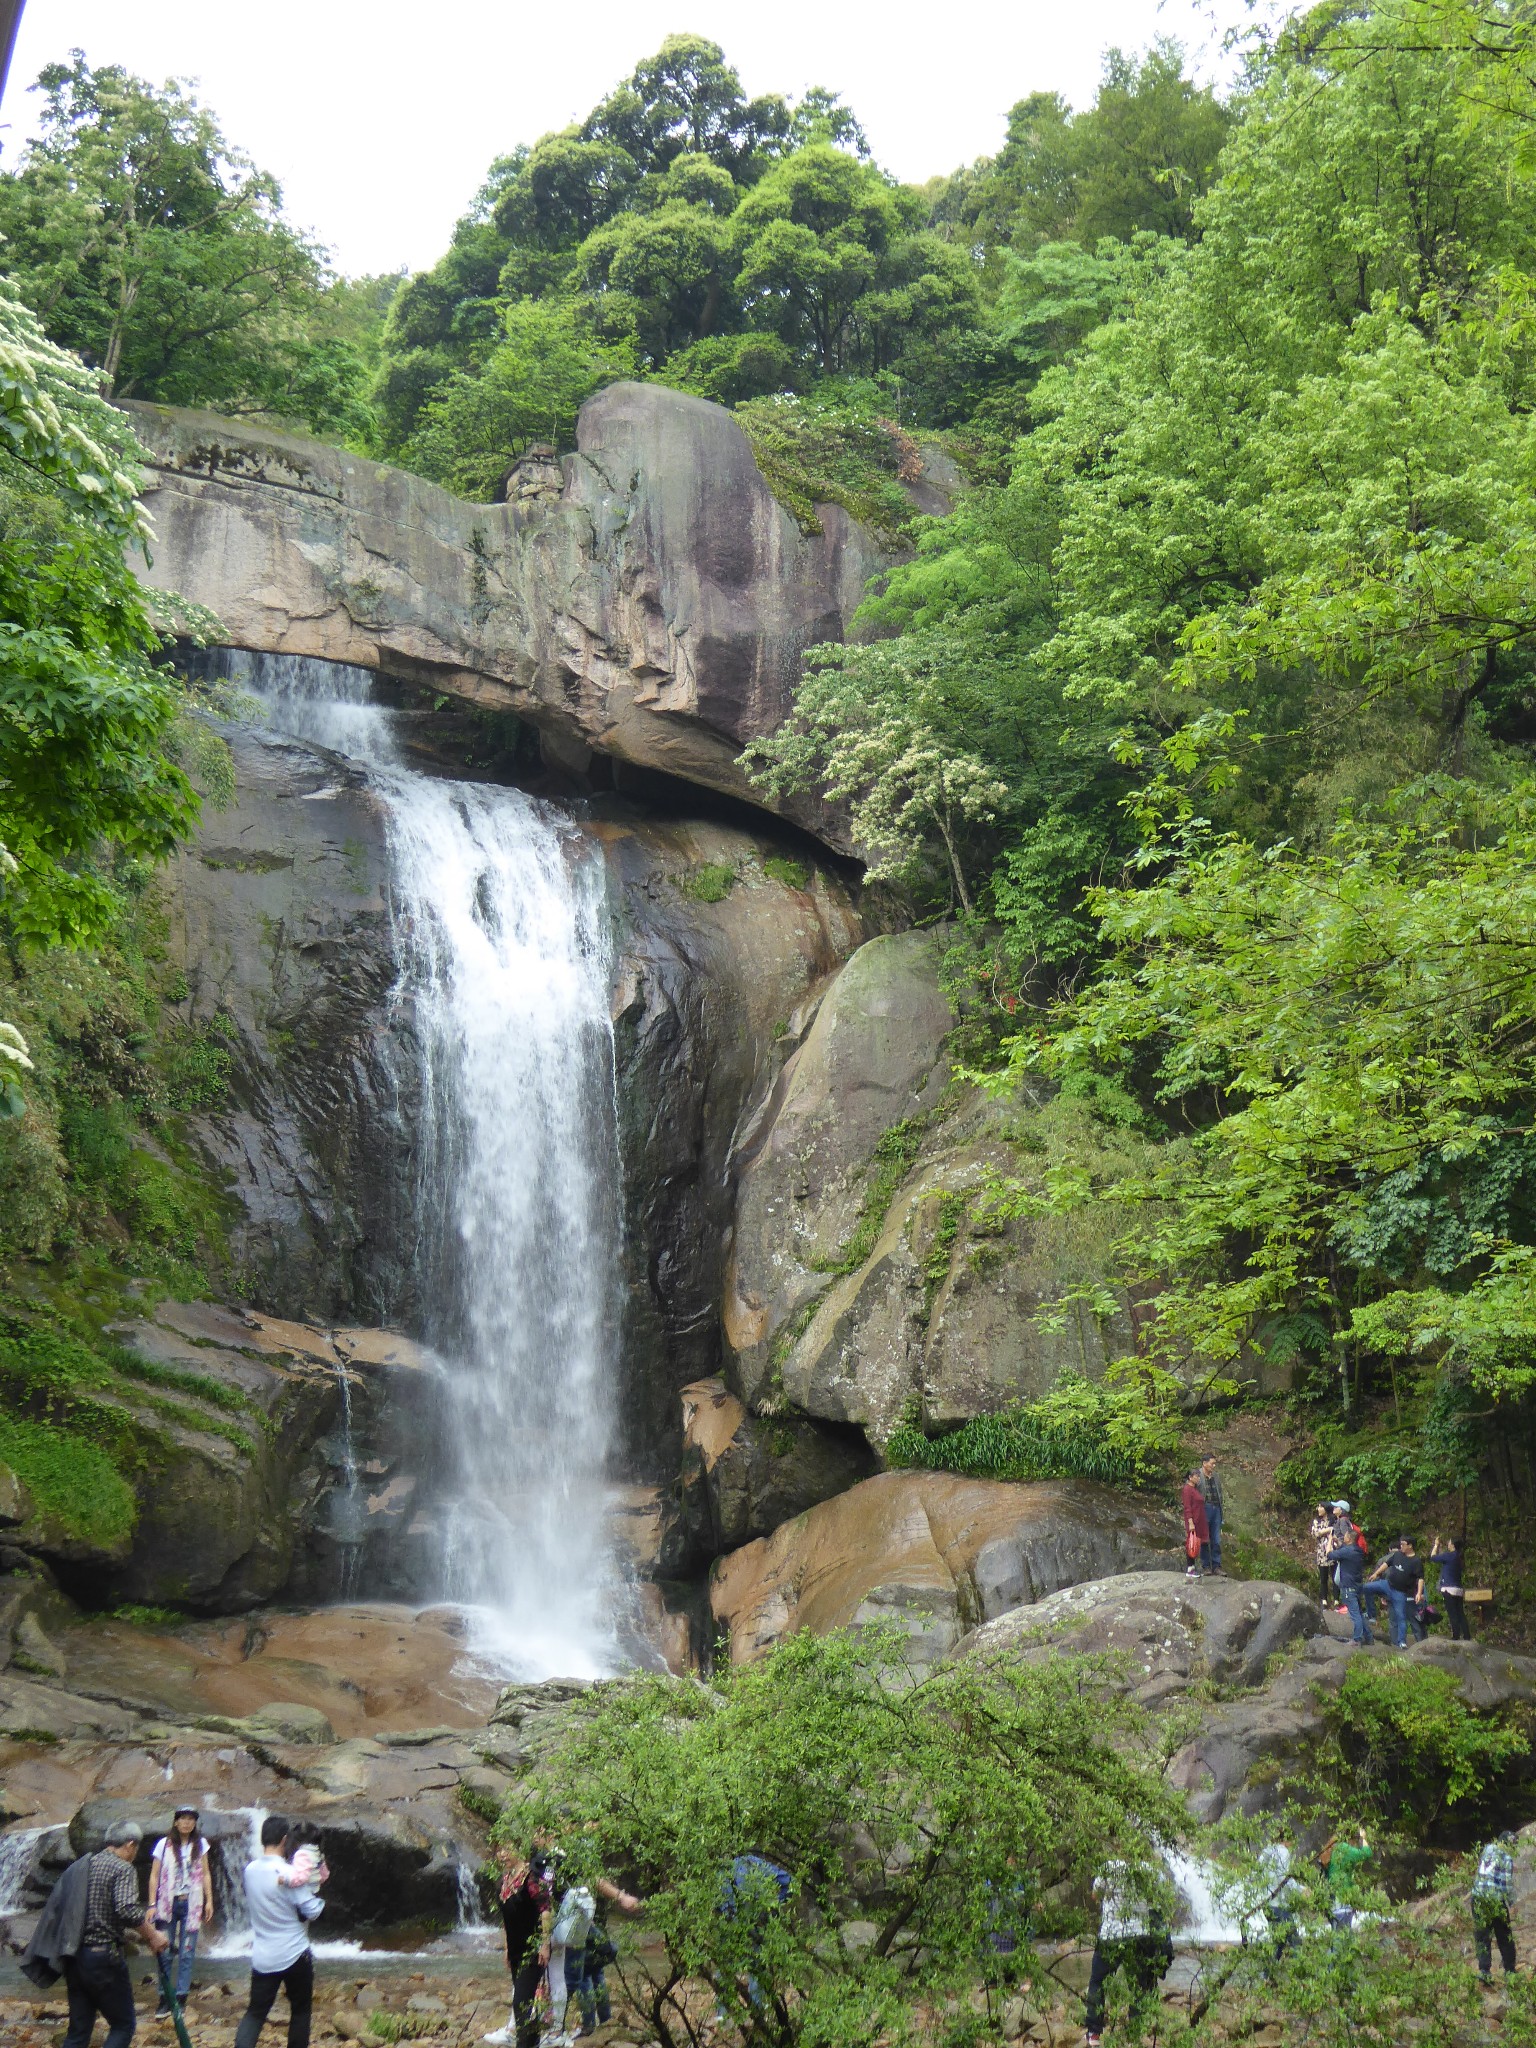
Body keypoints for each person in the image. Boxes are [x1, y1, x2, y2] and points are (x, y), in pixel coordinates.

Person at [27, 1820, 170, 2048]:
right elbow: (126, 1910)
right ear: (130, 1845)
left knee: (78, 2032)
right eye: (136, 1849)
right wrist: (153, 1935)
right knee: (123, 2026)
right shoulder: (123, 1869)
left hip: (73, 1957)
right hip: (103, 1958)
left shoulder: (83, 1865)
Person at [234, 1814, 325, 2048]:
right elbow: (311, 1910)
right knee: (301, 2011)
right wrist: (319, 1898)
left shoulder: (250, 1870)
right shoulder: (287, 1874)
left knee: (255, 2013)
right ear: (285, 1840)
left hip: (263, 1955)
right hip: (295, 1953)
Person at [1082, 1857, 1173, 2046]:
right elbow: (1159, 1896)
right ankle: (1135, 2034)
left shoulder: (1109, 1867)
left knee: (1098, 1982)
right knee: (1139, 1986)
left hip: (1111, 1935)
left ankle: (1094, 2034)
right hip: (1139, 1936)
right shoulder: (1149, 1869)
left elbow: (1095, 1896)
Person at [484, 1840, 557, 2048]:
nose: (502, 1855)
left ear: (520, 1850)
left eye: (507, 1849)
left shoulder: (531, 1879)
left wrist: (545, 1944)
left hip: (533, 1950)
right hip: (516, 1950)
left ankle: (524, 2044)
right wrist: (507, 1949)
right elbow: (507, 1918)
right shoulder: (504, 1880)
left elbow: (545, 1910)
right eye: (499, 1851)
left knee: (521, 2003)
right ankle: (532, 2041)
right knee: (524, 2002)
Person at [149, 1806, 214, 2019]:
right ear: (176, 1822)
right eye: (183, 1819)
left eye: (190, 1819)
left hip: (192, 1903)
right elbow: (154, 1876)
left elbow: (205, 1874)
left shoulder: (200, 1844)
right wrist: (151, 1904)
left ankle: (181, 1998)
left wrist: (209, 1901)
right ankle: (163, 1998)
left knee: (187, 1952)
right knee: (164, 1952)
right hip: (167, 1903)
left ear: (195, 1823)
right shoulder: (163, 1845)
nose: (186, 1822)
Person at [1470, 1830, 1517, 1982]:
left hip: (1477, 1897)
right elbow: (1506, 1885)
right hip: (1494, 1900)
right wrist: (1511, 1902)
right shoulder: (1507, 1857)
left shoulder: (1488, 1849)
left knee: (1482, 1935)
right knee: (1504, 1936)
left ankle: (1484, 1971)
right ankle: (1510, 1970)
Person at [1328, 1507, 1373, 1645]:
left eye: (1346, 1535)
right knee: (1359, 1612)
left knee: (1355, 1614)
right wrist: (1338, 1541)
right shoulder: (1357, 1551)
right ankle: (1369, 1638)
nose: (1344, 1536)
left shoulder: (1347, 1552)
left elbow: (1330, 1554)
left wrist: (1330, 1541)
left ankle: (1356, 1639)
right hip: (1358, 1584)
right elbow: (1344, 1548)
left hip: (1348, 1586)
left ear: (1349, 1538)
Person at [1320, 1829, 1372, 1931]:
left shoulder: (1332, 1848)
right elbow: (1366, 1853)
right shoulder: (1343, 1848)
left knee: (1340, 1933)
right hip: (1341, 1897)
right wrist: (1363, 1838)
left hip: (1332, 1898)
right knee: (1341, 1936)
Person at [1382, 1537, 1426, 1649]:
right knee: (1393, 1619)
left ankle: (1422, 1645)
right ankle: (1395, 1644)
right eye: (1400, 1544)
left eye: (1403, 1544)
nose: (1400, 1546)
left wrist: (1419, 1593)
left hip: (1409, 1594)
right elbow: (1386, 1569)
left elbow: (1420, 1578)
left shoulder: (1416, 1561)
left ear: (1410, 1545)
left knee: (1414, 1620)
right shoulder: (1397, 1556)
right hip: (1393, 1592)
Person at [1430, 1532, 1471, 1641]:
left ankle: (1456, 1636)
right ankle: (1467, 1636)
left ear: (1452, 1545)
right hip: (1458, 1589)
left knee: (1452, 1613)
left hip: (1449, 1588)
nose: (1448, 1543)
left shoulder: (1449, 1556)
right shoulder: (1459, 1557)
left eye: (1449, 1542)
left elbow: (1433, 1557)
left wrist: (1436, 1545)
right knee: (1460, 1613)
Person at [1181, 1467, 1211, 1578]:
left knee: (1199, 1543)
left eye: (1199, 1476)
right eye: (1196, 1476)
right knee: (1192, 1543)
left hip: (1200, 1520)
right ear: (1190, 1477)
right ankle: (1190, 1569)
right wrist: (1190, 1522)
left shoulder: (1195, 1489)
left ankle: (1193, 1568)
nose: (1198, 1478)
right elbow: (1187, 1507)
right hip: (1194, 1520)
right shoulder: (1187, 1489)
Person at [1199, 1456, 1225, 1574]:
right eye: (1212, 1463)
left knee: (1216, 1539)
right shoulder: (1197, 1476)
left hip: (1216, 1509)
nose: (1214, 1466)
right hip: (1204, 1509)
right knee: (1204, 1539)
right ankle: (1206, 1566)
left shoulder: (1216, 1477)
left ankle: (1217, 1565)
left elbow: (1220, 1492)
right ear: (1205, 1463)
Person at [1311, 1504, 1337, 1611]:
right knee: (1323, 1578)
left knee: (1336, 1577)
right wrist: (1327, 1530)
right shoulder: (1317, 1521)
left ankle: (1336, 1600)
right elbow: (1315, 1533)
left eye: (1320, 1507)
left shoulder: (1334, 1520)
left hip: (1334, 1550)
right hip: (1322, 1552)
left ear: (1326, 1508)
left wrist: (1325, 1531)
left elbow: (1337, 1532)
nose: (1318, 1509)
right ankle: (1324, 1600)